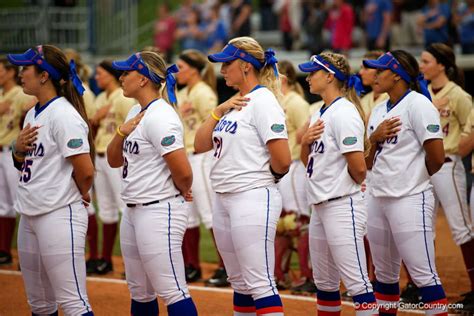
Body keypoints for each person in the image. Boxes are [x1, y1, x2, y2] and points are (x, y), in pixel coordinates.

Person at [195, 37, 291, 315]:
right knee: (240, 283)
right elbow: (200, 144)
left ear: (246, 66)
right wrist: (219, 109)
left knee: (259, 282)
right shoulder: (236, 103)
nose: (222, 70)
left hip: (252, 196)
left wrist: (265, 178)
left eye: (227, 64)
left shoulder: (263, 101)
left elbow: (283, 160)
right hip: (225, 198)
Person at [107, 51, 197, 315]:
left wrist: (181, 190)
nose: (121, 77)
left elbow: (184, 171)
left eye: (126, 72)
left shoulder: (161, 115)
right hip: (134, 209)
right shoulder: (136, 111)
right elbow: (114, 160)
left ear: (144, 79)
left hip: (159, 209)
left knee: (172, 290)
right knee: (140, 292)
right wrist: (121, 133)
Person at [8, 44, 94, 315]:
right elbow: (26, 164)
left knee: (72, 302)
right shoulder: (34, 112)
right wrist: (18, 151)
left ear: (44, 75)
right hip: (30, 213)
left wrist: (79, 192)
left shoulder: (64, 114)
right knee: (40, 304)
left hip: (58, 214)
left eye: (26, 68)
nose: (20, 73)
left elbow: (86, 170)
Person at [363, 50, 448, 315]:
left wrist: (412, 179)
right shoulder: (378, 109)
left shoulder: (418, 104)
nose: (376, 75)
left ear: (397, 74)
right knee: (384, 276)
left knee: (424, 276)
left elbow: (437, 157)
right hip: (377, 198)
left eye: (381, 70)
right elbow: (368, 162)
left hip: (409, 198)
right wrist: (374, 139)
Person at [298, 53, 377, 315]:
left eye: (313, 72)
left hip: (342, 205)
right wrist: (305, 142)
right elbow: (305, 160)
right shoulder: (320, 111)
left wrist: (347, 191)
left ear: (330, 76)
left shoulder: (344, 112)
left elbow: (358, 168)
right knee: (325, 284)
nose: (308, 77)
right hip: (320, 207)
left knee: (357, 283)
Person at [419, 42, 474, 313]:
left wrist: (463, 145)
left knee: (460, 227)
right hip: (425, 167)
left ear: (442, 64)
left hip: (450, 163)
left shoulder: (458, 94)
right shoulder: (422, 93)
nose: (422, 65)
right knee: (423, 228)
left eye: (426, 61)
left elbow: (470, 125)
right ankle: (427, 288)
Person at [175, 49, 228, 287]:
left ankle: (225, 267)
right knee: (189, 216)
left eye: (181, 67)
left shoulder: (203, 92)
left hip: (202, 156)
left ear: (194, 70)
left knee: (210, 213)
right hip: (187, 156)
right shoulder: (185, 91)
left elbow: (215, 124)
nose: (177, 72)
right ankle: (192, 265)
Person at [86, 60, 135, 275]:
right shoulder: (100, 97)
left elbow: (133, 128)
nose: (97, 77)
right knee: (105, 208)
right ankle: (105, 259)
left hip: (117, 158)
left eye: (101, 73)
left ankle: (131, 263)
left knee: (124, 207)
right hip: (100, 155)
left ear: (112, 76)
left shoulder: (122, 99)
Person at [273, 60, 314, 293]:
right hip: (282, 169)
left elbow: (306, 135)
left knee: (300, 221)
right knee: (283, 223)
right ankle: (281, 274)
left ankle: (311, 276)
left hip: (297, 165)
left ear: (284, 78)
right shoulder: (276, 102)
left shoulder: (296, 102)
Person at [0, 57, 35, 266]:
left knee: (19, 200)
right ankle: (4, 250)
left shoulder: (20, 95)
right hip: (1, 150)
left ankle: (28, 253)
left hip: (13, 153)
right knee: (2, 204)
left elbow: (29, 116)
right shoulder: (2, 94)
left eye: (1, 70)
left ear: (11, 72)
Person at [359, 50, 389, 120]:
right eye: (361, 68)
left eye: (366, 68)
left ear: (379, 70)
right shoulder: (364, 100)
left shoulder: (391, 97)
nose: (360, 72)